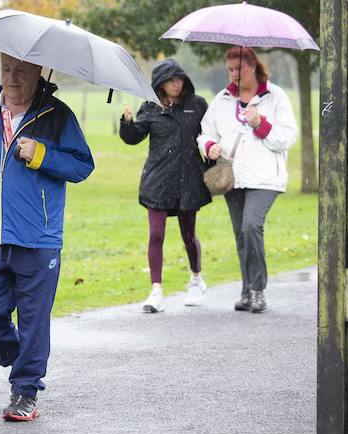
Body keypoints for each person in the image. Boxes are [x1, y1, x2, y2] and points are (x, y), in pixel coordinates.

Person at [0, 54, 94, 422]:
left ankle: (25, 390)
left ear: (38, 72)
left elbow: (82, 165)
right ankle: (20, 355)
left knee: (34, 318)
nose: (12, 78)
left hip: (38, 236)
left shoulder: (58, 116)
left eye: (22, 71)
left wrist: (42, 154)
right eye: (6, 70)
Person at [197, 47, 297, 313]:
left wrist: (261, 124)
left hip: (265, 178)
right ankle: (246, 291)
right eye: (230, 69)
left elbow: (288, 137)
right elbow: (206, 132)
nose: (234, 74)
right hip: (233, 177)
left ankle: (258, 290)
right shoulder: (222, 99)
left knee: (251, 226)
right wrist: (209, 146)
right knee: (241, 234)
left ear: (253, 66)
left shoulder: (275, 97)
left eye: (238, 69)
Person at [119, 59, 212, 314]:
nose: (176, 84)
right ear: (160, 83)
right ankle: (156, 291)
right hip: (158, 182)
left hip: (189, 181)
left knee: (188, 235)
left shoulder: (197, 105)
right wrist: (127, 123)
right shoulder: (150, 107)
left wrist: (212, 158)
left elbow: (210, 135)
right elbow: (134, 137)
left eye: (179, 79)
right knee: (156, 235)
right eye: (171, 80)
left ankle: (196, 278)